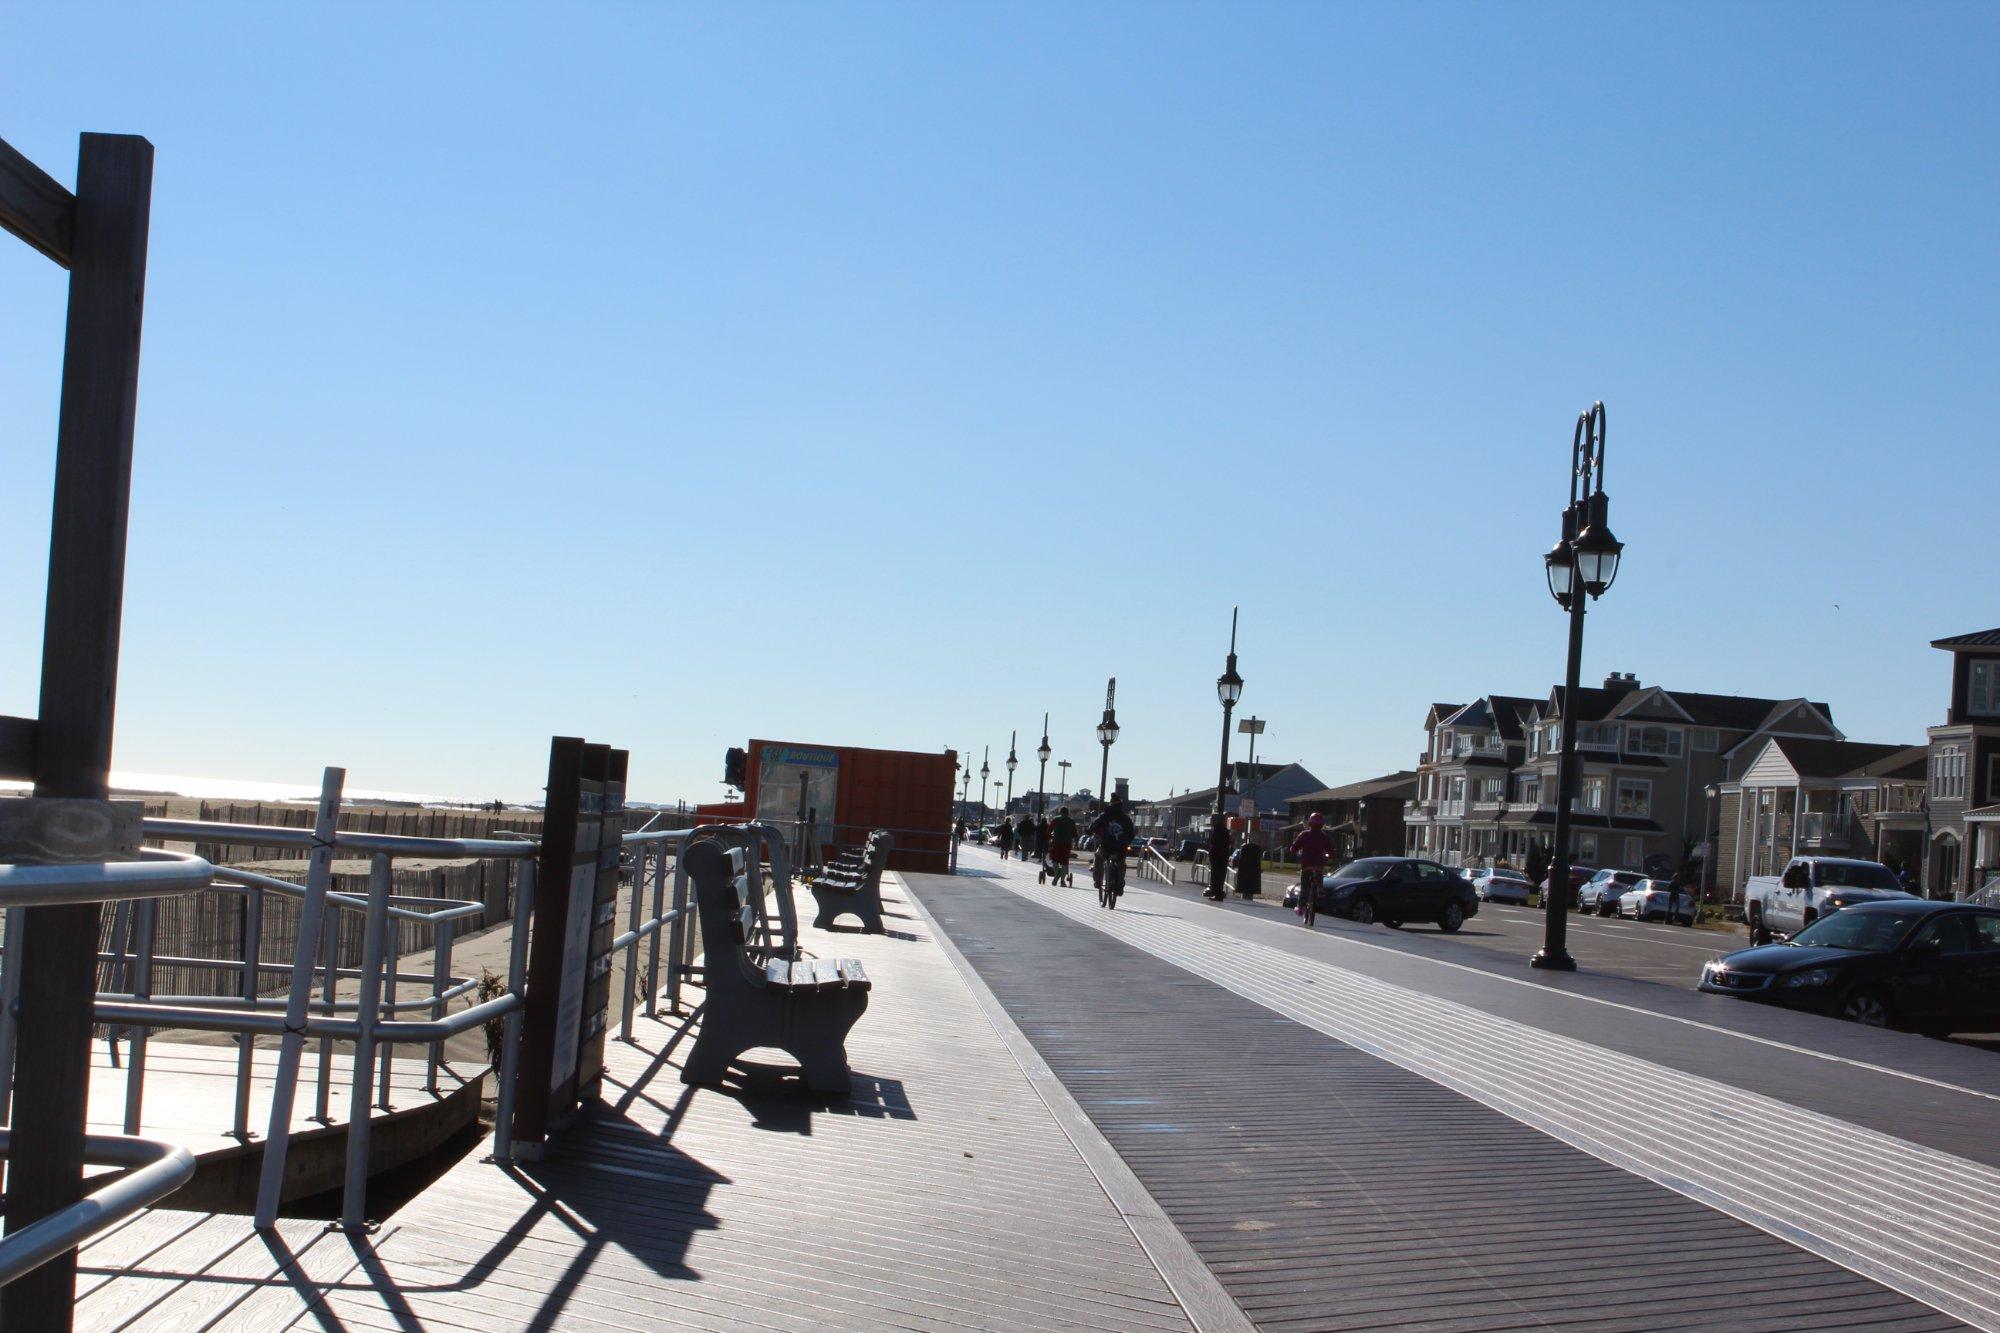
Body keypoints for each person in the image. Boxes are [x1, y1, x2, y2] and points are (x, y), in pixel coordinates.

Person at [1289, 812, 1335, 926]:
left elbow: (1294, 848)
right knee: (1319, 876)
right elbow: (1330, 850)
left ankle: (1300, 908)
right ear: (1322, 825)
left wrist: (1293, 850)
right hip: (1319, 865)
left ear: (1310, 823)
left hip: (1307, 865)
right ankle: (1319, 889)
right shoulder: (1324, 836)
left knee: (1304, 887)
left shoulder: (1304, 834)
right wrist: (1331, 855)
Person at [1090, 796, 1135, 900]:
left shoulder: (1104, 816)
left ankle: (1097, 880)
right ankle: (1119, 886)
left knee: (1098, 857)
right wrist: (1125, 843)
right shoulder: (1125, 818)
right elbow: (1132, 833)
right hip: (1120, 848)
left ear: (1110, 804)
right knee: (1121, 864)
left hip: (1106, 846)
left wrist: (1091, 831)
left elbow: (1094, 825)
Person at [1045, 805, 1077, 886]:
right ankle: (1062, 880)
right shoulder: (1071, 821)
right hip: (1066, 844)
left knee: (1055, 860)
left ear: (1060, 812)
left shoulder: (1056, 819)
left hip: (1056, 843)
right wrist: (1071, 838)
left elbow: (1049, 830)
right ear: (1067, 813)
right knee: (1064, 862)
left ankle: (1056, 876)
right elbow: (1075, 834)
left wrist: (1049, 838)